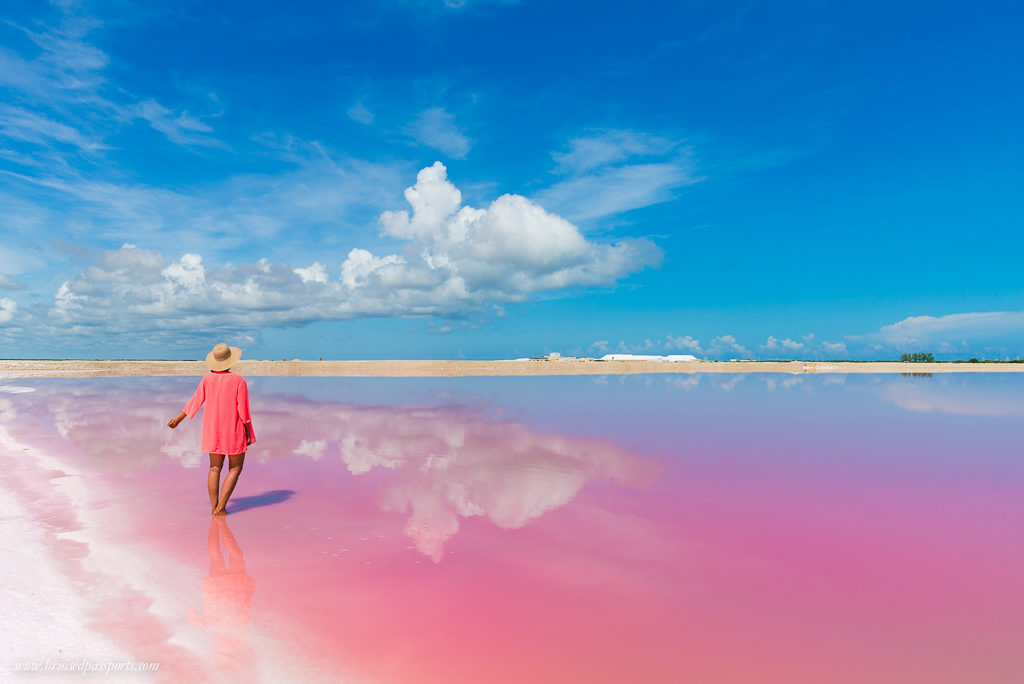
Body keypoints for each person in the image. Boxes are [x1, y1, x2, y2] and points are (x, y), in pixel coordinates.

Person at [168, 343, 254, 515]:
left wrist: (178, 419)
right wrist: (248, 432)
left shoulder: (207, 379)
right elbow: (243, 410)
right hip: (233, 429)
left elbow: (195, 402)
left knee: (214, 468)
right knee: (235, 468)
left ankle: (214, 507)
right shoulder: (238, 380)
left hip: (212, 430)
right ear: (230, 361)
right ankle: (220, 508)